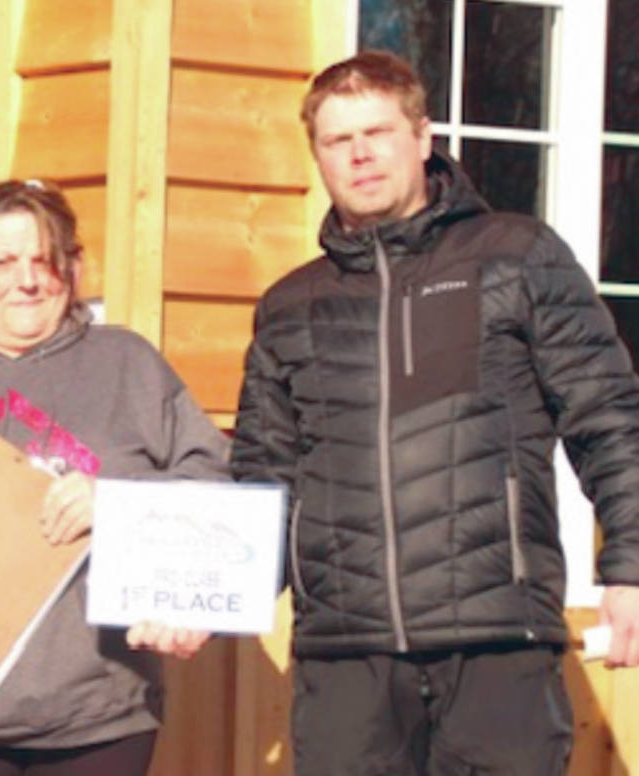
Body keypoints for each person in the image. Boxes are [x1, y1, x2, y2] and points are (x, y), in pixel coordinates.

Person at [230, 50, 639, 776]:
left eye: (378, 132)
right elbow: (264, 477)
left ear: (421, 137)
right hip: (346, 660)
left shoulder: (517, 257)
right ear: (317, 156)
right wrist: (201, 596)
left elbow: (608, 417)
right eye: (337, 140)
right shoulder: (290, 307)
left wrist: (632, 566)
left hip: (495, 641)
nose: (359, 155)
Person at [0, 179, 230, 776]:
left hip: (101, 717)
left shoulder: (128, 365)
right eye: (2, 261)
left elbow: (213, 489)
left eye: (44, 261)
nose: (25, 280)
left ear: (73, 270)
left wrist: (123, 504)